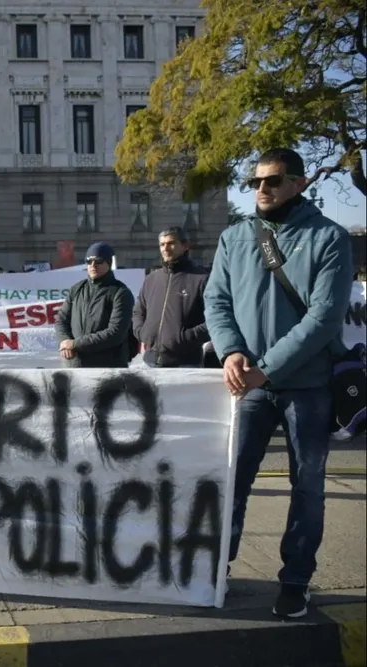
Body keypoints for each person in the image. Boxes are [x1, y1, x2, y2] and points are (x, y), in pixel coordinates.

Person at [205, 148, 353, 619]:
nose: (262, 190)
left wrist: (266, 367)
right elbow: (217, 301)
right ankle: (216, 570)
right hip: (247, 386)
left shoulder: (329, 237)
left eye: (272, 181)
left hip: (306, 386)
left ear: (299, 183)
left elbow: (325, 318)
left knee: (307, 486)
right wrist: (231, 351)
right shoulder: (234, 238)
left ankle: (295, 580)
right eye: (255, 182)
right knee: (232, 482)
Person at [133, 227, 210, 367]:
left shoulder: (201, 279)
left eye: (171, 243)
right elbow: (138, 311)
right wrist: (142, 333)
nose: (165, 249)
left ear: (185, 246)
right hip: (150, 361)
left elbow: (215, 318)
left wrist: (186, 337)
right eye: (162, 244)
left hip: (186, 364)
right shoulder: (151, 279)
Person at [54, 242, 134, 368]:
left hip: (107, 368)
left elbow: (115, 333)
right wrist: (65, 342)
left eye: (98, 261)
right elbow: (61, 320)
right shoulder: (77, 289)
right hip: (75, 366)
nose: (93, 266)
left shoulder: (120, 293)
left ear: (109, 263)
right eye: (89, 262)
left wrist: (75, 344)